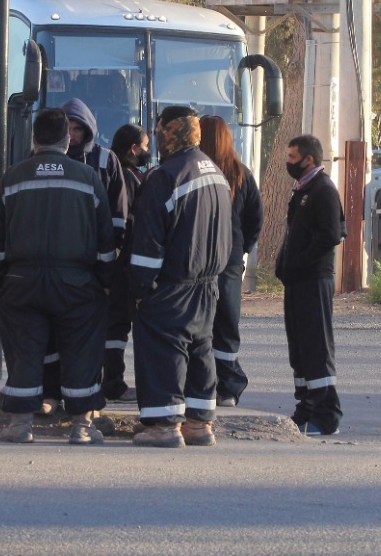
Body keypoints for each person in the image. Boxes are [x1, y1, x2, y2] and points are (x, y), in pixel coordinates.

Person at [0, 108, 115, 444]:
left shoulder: (12, 178)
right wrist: (104, 282)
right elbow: (106, 244)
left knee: (24, 352)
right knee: (81, 351)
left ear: (34, 138)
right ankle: (82, 428)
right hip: (78, 283)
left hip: (21, 281)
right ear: (66, 139)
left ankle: (20, 425)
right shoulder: (88, 178)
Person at [129, 106, 232, 448]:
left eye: (160, 130)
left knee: (165, 350)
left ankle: (165, 425)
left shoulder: (165, 176)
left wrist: (142, 287)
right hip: (208, 283)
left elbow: (149, 240)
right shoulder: (215, 171)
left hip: (172, 284)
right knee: (201, 350)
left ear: (170, 131)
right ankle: (199, 425)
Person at [36, 98, 130, 413]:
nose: (73, 135)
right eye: (69, 128)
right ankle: (53, 394)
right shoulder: (40, 159)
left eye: (78, 128)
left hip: (92, 264)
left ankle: (87, 399)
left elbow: (118, 214)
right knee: (52, 335)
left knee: (88, 335)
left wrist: (110, 257)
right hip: (53, 261)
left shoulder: (106, 160)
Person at [277, 134, 346, 435]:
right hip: (296, 281)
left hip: (314, 279)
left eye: (292, 157)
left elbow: (331, 234)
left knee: (316, 346)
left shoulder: (323, 190)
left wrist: (302, 260)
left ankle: (326, 415)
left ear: (309, 160)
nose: (288, 162)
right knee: (300, 347)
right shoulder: (302, 190)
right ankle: (305, 408)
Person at [198, 116, 263, 408]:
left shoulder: (194, 172)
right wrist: (241, 251)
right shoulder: (241, 174)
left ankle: (202, 384)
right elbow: (255, 220)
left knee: (199, 322)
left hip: (198, 259)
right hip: (231, 260)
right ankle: (228, 387)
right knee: (227, 323)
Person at [101, 123, 150, 402]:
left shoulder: (110, 169)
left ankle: (108, 379)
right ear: (133, 149)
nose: (147, 152)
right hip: (121, 264)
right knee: (117, 325)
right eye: (144, 147)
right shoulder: (129, 177)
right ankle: (114, 382)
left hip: (112, 262)